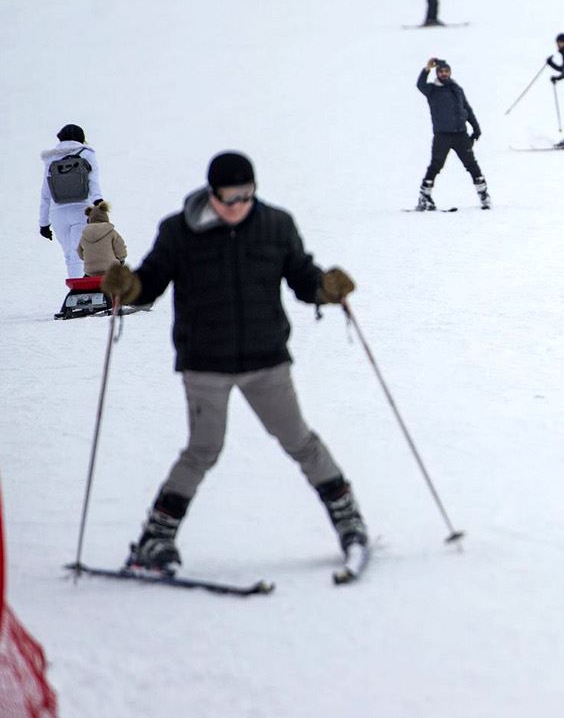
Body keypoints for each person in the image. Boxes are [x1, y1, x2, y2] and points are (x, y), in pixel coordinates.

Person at [99, 152, 368, 571]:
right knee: (203, 450)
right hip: (205, 362)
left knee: (300, 441)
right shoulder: (178, 232)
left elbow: (301, 276)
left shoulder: (276, 225)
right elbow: (149, 282)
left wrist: (325, 288)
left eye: (247, 196)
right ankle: (155, 538)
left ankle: (350, 521)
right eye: (230, 198)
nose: (239, 206)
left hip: (266, 359)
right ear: (212, 194)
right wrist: (128, 287)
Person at [415, 57, 490, 210]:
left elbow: (467, 109)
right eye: (441, 72)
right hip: (442, 135)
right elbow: (420, 85)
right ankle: (424, 196)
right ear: (437, 74)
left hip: (460, 134)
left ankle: (483, 194)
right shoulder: (432, 90)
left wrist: (476, 128)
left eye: (446, 71)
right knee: (436, 165)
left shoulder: (456, 88)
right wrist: (427, 69)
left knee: (471, 164)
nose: (444, 74)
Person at [39, 123, 103, 279]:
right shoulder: (86, 153)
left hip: (57, 213)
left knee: (69, 255)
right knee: (81, 253)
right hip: (81, 209)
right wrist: (98, 202)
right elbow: (93, 182)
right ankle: (82, 291)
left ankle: (76, 288)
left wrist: (43, 223)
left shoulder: (51, 158)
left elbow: (46, 192)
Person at [77, 200, 127, 277]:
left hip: (90, 271)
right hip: (110, 269)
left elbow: (80, 252)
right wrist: (121, 259)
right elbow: (121, 249)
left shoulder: (84, 235)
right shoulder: (111, 232)